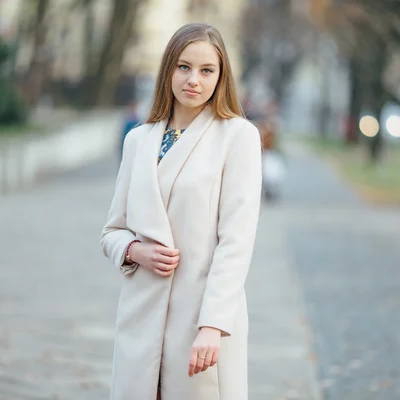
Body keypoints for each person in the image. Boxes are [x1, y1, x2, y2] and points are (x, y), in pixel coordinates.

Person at [100, 23, 262, 400]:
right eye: (184, 67)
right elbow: (111, 232)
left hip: (200, 319)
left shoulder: (238, 137)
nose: (194, 80)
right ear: (168, 69)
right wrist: (135, 251)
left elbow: (236, 243)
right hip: (141, 317)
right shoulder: (138, 140)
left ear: (221, 77)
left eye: (207, 70)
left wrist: (212, 326)